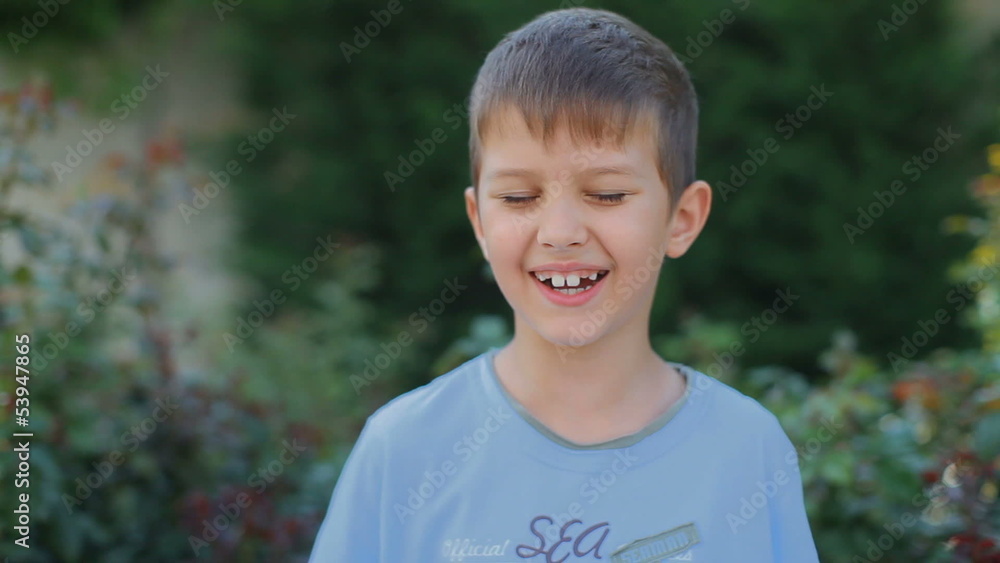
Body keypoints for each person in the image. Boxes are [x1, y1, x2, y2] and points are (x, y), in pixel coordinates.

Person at [310, 7, 819, 562]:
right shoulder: (403, 451)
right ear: (479, 221)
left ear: (682, 219)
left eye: (607, 194)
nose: (559, 233)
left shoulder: (748, 451)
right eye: (519, 197)